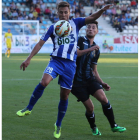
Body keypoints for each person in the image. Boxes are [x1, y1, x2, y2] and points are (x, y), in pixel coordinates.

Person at [16, 2, 112, 139]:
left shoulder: (76, 23)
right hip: (56, 61)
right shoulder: (52, 27)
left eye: (66, 12)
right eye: (61, 12)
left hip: (70, 65)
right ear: (57, 13)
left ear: (69, 12)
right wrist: (28, 58)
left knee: (64, 95)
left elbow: (91, 18)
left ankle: (58, 124)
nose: (63, 14)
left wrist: (102, 10)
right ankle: (29, 108)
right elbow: (40, 43)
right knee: (44, 82)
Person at [71, 21, 126, 136]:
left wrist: (102, 82)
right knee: (90, 108)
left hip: (90, 79)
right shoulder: (80, 40)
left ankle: (114, 126)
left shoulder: (97, 49)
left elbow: (94, 70)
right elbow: (76, 53)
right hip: (76, 82)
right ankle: (93, 127)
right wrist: (90, 49)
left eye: (93, 27)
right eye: (88, 27)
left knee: (104, 99)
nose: (90, 29)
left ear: (96, 31)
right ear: (86, 30)